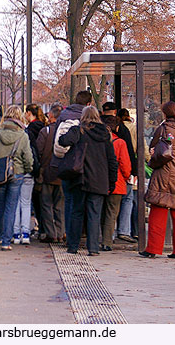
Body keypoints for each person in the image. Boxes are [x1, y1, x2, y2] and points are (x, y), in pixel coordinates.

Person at [58, 105, 118, 256]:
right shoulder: (106, 134)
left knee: (76, 212)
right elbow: (112, 160)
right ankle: (93, 248)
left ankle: (73, 246)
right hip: (99, 180)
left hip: (80, 179)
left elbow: (63, 141)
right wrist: (112, 181)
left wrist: (74, 128)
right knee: (94, 214)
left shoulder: (79, 130)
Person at [139, 101, 175, 259]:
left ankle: (153, 249)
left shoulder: (162, 129)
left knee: (158, 211)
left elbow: (155, 150)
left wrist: (152, 159)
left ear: (164, 113)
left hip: (164, 173)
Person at [0, 105, 34, 250]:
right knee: (10, 208)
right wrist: (26, 170)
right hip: (16, 174)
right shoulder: (23, 135)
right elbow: (28, 157)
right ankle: (6, 242)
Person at [51, 90, 93, 246]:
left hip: (64, 165)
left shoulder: (63, 115)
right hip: (82, 166)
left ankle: (69, 236)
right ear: (88, 104)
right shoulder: (87, 117)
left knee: (68, 202)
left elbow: (56, 141)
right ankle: (82, 239)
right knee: (81, 204)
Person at [14, 104, 45, 244]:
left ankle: (15, 234)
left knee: (14, 203)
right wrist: (31, 169)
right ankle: (25, 233)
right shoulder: (30, 132)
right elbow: (30, 154)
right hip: (27, 173)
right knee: (26, 204)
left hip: (12, 173)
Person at [99, 115, 131, 251]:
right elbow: (125, 165)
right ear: (116, 128)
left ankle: (100, 238)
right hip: (117, 183)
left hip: (99, 181)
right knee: (112, 213)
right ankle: (107, 241)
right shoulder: (120, 143)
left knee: (101, 212)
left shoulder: (98, 141)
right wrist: (126, 176)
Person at [36, 103, 65, 243]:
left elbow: (38, 151)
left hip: (47, 174)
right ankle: (61, 233)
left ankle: (51, 233)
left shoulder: (45, 132)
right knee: (60, 205)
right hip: (62, 174)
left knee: (46, 204)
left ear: (51, 115)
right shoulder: (65, 131)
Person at [115, 108, 139, 242]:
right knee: (129, 199)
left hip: (110, 172)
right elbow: (134, 149)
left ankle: (111, 232)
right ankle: (126, 230)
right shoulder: (132, 129)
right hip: (128, 167)